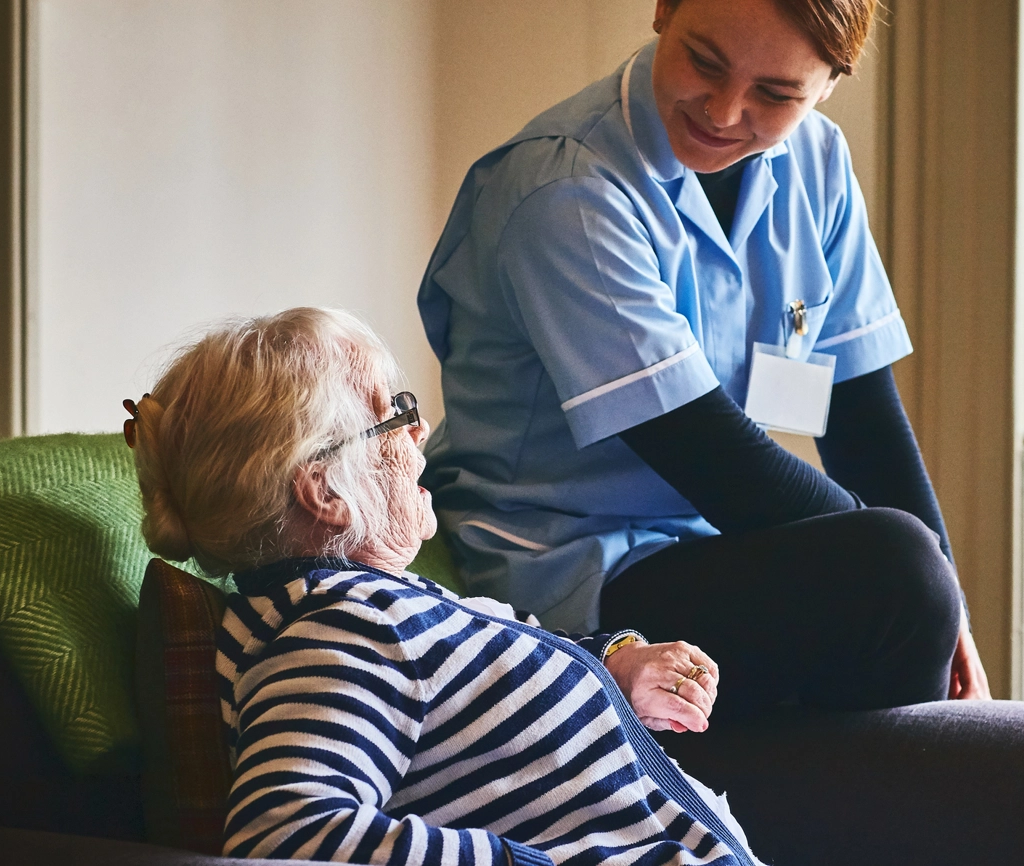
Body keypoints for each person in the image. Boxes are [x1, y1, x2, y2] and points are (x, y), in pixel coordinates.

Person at [417, 0, 990, 721]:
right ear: (663, 10)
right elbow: (714, 462)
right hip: (566, 574)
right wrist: (920, 580)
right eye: (705, 63)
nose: (723, 112)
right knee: (896, 574)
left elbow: (862, 417)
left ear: (828, 84)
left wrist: (950, 602)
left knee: (908, 575)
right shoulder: (564, 188)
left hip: (706, 547)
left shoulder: (819, 164)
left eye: (775, 94)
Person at [125, 307, 763, 866]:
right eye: (393, 413)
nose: (421, 429)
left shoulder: (386, 613)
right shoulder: (347, 627)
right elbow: (287, 838)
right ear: (326, 492)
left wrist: (616, 663)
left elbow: (484, 685)